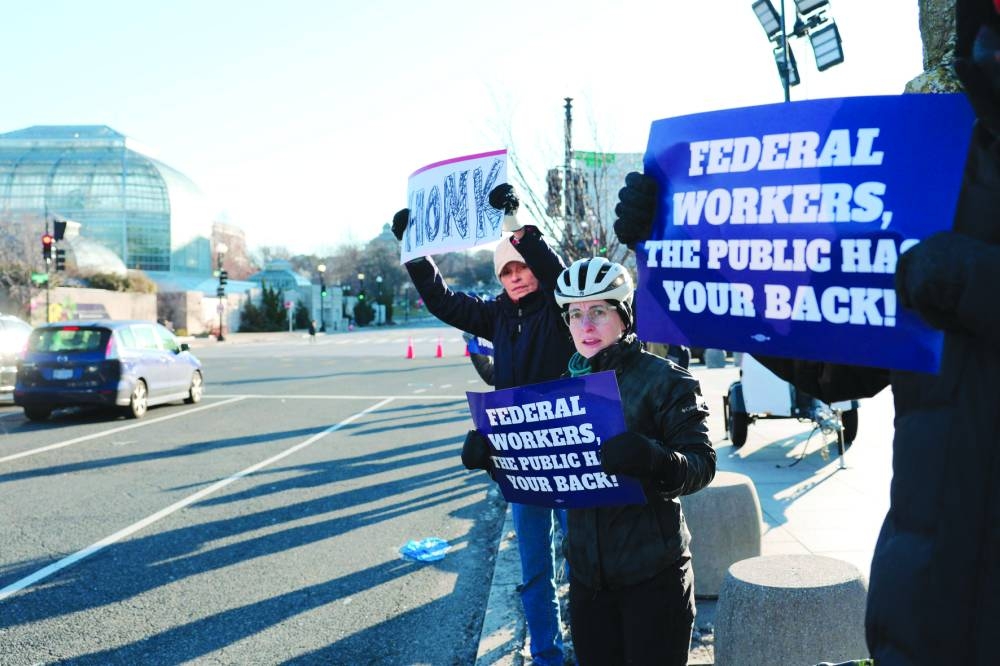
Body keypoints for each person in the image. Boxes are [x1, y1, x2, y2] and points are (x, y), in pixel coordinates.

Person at [611, 3, 1000, 658]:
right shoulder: (948, 156)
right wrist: (684, 250)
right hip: (929, 608)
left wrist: (980, 284)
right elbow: (842, 357)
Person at [465, 256, 716, 665]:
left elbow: (702, 464)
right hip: (587, 583)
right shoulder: (562, 387)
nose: (585, 325)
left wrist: (655, 459)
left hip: (652, 576)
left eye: (599, 311)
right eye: (575, 314)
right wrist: (497, 460)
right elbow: (546, 470)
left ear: (625, 316)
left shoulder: (667, 379)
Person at [392, 184, 576, 666]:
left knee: (584, 563)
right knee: (535, 571)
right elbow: (444, 302)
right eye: (506, 269)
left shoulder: (562, 309)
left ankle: (592, 643)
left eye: (522, 267)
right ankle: (547, 655)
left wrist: (515, 223)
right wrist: (415, 254)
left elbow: (559, 274)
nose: (515, 276)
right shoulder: (495, 316)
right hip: (524, 465)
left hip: (575, 453)